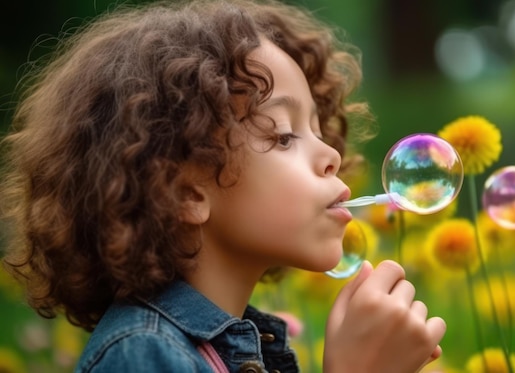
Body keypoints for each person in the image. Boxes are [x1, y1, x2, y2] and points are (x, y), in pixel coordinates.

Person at [0, 0, 446, 371]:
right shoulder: (145, 354)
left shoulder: (233, 350)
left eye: (318, 129)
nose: (331, 154)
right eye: (284, 135)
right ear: (187, 191)